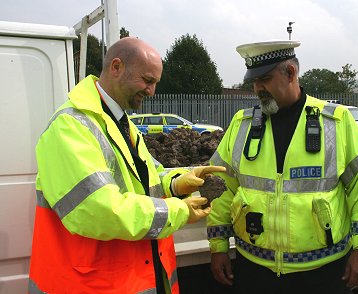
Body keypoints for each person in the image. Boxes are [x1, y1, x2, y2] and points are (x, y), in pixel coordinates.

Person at [28, 37, 225, 294]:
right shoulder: (70, 127)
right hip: (92, 284)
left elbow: (147, 177)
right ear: (116, 67)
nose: (152, 91)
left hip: (131, 276)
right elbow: (100, 210)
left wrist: (176, 182)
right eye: (147, 80)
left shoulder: (120, 123)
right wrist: (179, 211)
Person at [207, 40, 358, 293]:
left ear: (291, 73)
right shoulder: (242, 125)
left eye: (265, 79)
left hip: (323, 273)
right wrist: (218, 246)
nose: (258, 89)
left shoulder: (335, 122)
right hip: (254, 270)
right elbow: (222, 189)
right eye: (254, 82)